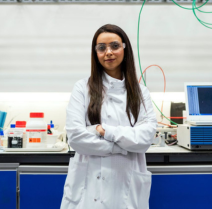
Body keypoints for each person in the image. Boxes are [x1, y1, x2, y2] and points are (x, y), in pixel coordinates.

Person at [60, 24, 157, 209]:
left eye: (114, 46)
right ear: (95, 52)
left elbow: (145, 139)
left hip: (126, 189)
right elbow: (76, 137)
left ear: (124, 48)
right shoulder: (82, 88)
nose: (108, 52)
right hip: (87, 190)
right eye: (101, 47)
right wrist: (123, 147)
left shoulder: (140, 93)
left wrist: (103, 131)